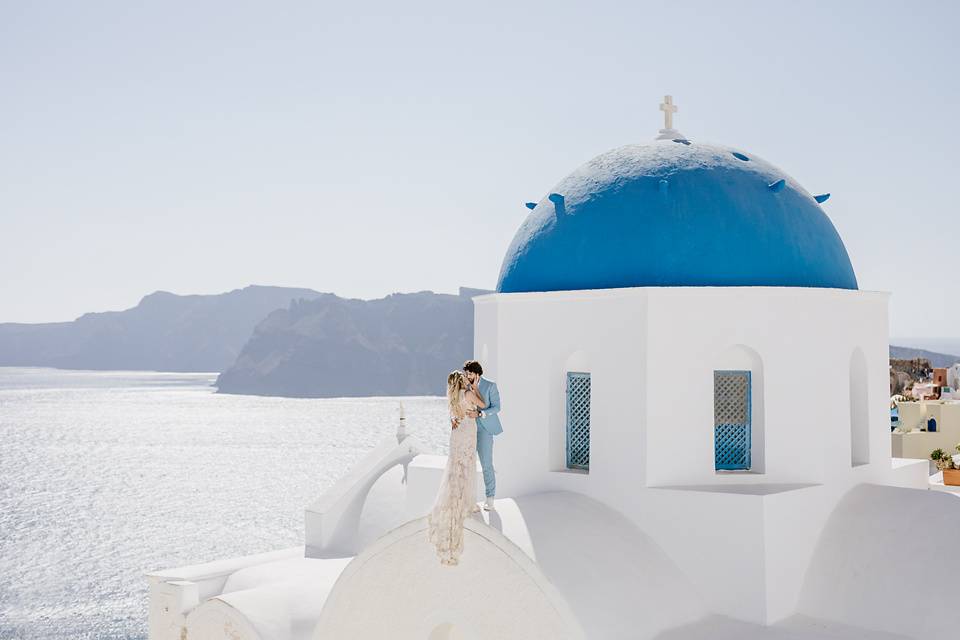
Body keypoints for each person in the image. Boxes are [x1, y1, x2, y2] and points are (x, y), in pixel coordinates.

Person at [426, 370, 485, 565]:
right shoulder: (468, 394)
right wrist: (475, 388)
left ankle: (457, 497)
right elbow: (483, 405)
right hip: (468, 434)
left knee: (455, 469)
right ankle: (466, 501)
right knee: (467, 467)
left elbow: (455, 419)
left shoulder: (452, 399)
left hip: (456, 436)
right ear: (461, 381)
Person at [462, 360, 502, 511]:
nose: (468, 376)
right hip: (468, 429)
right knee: (468, 463)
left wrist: (480, 413)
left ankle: (490, 498)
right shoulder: (466, 386)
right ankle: (468, 498)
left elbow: (497, 407)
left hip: (484, 429)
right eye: (466, 374)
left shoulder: (490, 385)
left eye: (470, 373)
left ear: (477, 373)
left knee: (486, 464)